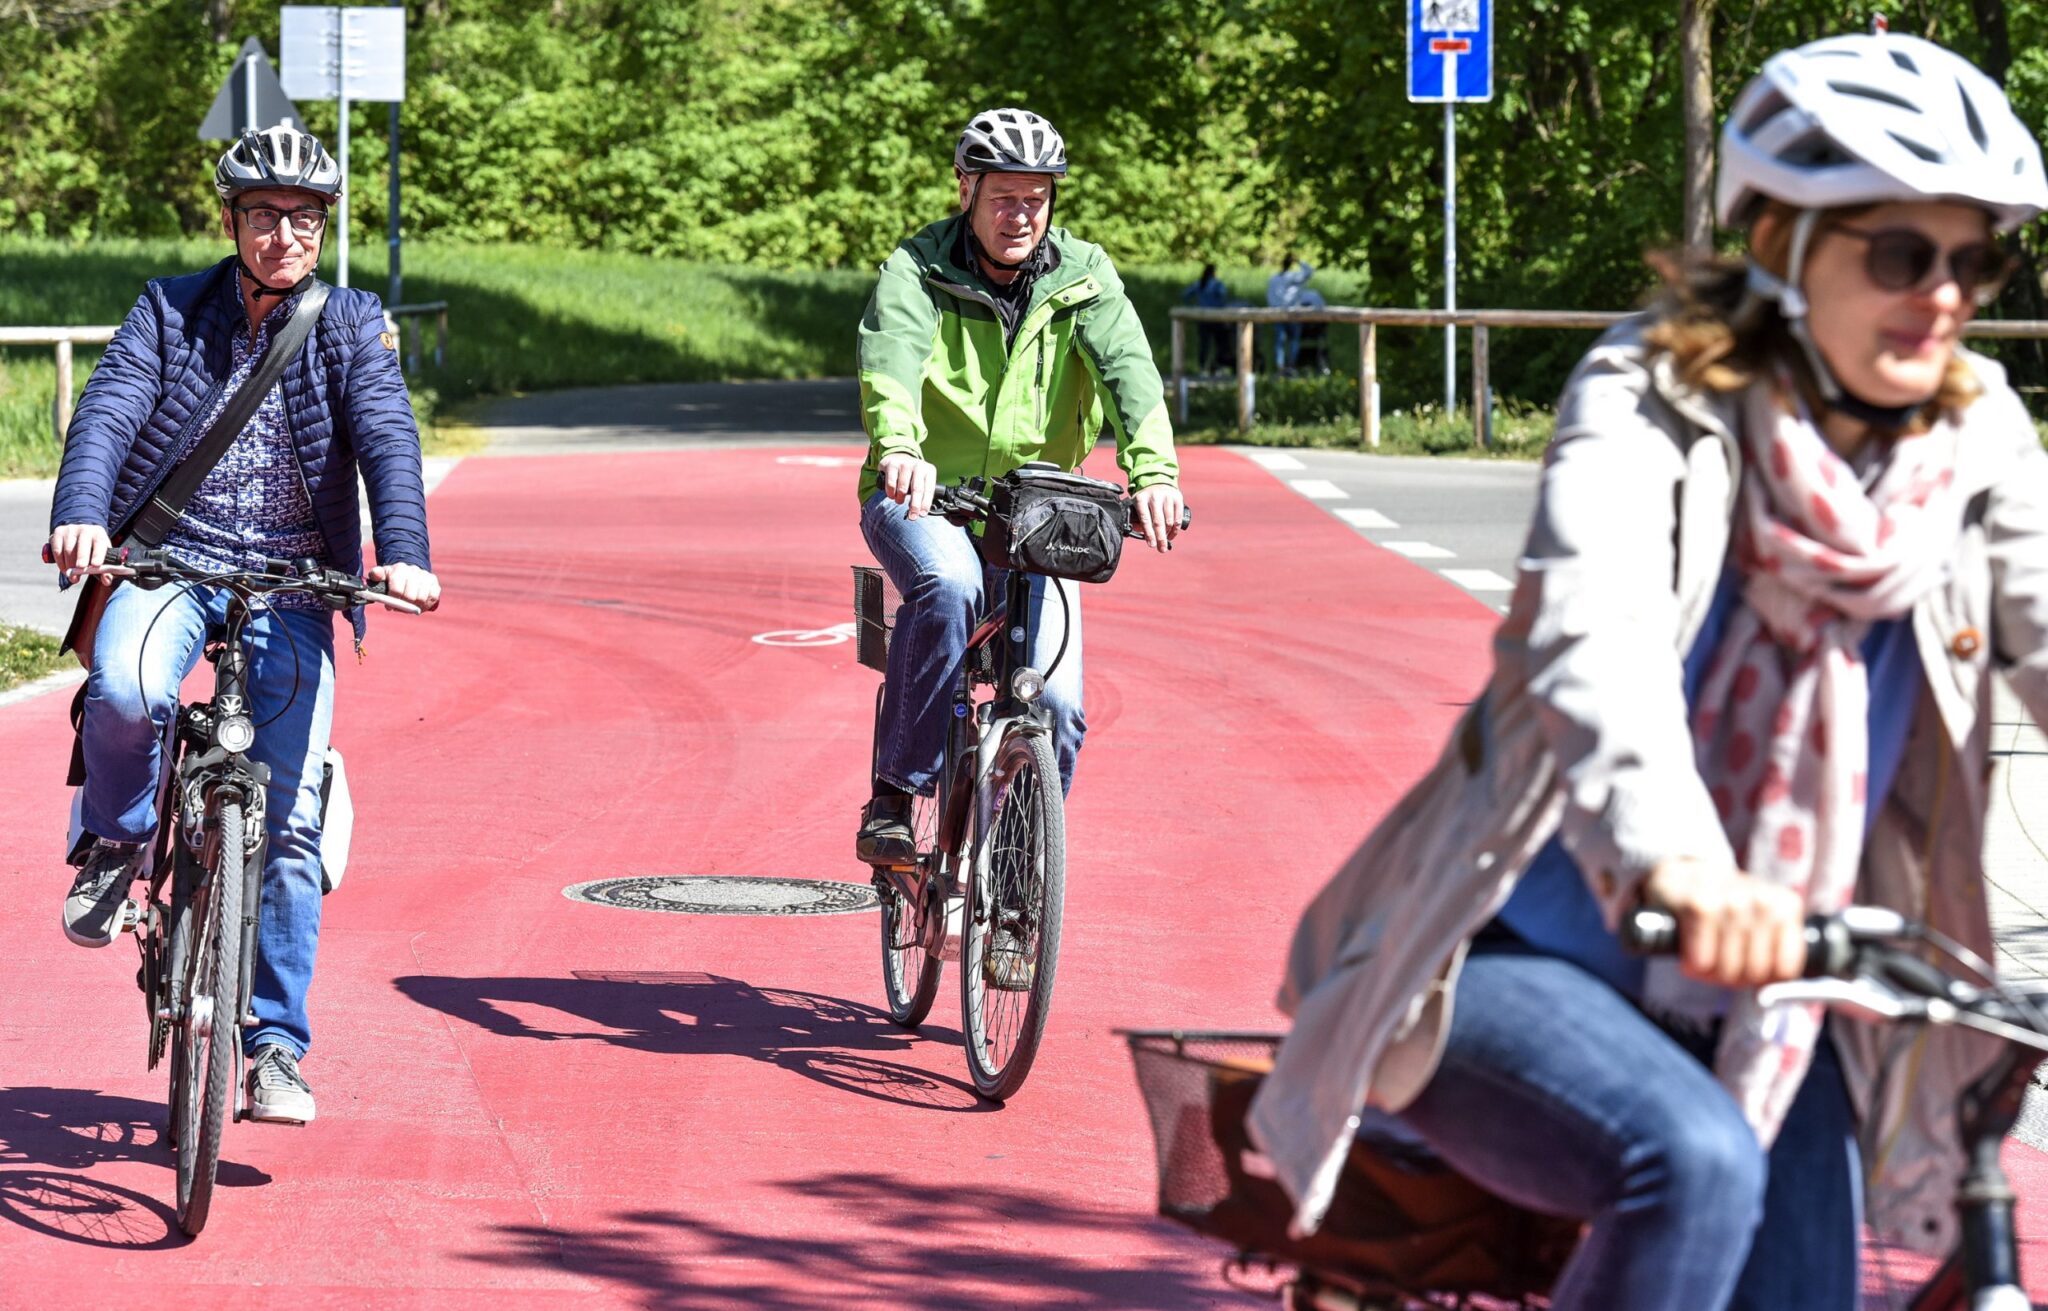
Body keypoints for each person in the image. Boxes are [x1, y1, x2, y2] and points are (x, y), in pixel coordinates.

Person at [1247, 32, 2048, 1311]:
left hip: (1783, 985)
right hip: (1515, 948)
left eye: (1976, 260)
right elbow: (1592, 640)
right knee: (1689, 1163)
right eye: (1901, 254)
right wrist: (1673, 863)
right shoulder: (1648, 394)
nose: (1942, 296)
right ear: (1780, 240)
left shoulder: (1978, 435)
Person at [47, 126, 440, 1125]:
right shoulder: (170, 308)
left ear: (323, 228)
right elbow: (109, 412)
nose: (285, 235)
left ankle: (274, 1048)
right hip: (170, 557)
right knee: (127, 689)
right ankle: (116, 843)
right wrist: (83, 514)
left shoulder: (350, 323)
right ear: (230, 220)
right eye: (264, 215)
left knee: (291, 821)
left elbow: (387, 435)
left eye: (305, 218)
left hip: (297, 579)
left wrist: (404, 550)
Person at [852, 106, 1184, 864]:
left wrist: (1154, 474)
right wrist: (900, 446)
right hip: (925, 496)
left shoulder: (1084, 276)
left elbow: (1131, 375)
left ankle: (1011, 876)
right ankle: (895, 795)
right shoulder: (918, 269)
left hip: (1040, 511)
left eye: (1036, 198)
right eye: (1004, 197)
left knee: (1057, 707)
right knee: (949, 585)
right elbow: (891, 361)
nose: (1021, 215)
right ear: (965, 189)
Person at [1265, 254, 1314, 374]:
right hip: (1293, 313)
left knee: (1280, 342)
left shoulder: (1273, 279)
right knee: (1293, 340)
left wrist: (1274, 309)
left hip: (1277, 313)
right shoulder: (1294, 277)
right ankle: (1291, 366)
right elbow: (1309, 271)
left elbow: (1270, 297)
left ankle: (1280, 367)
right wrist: (1299, 261)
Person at [1180, 262, 1230, 376]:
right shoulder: (1217, 284)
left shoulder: (1199, 283)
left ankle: (1202, 367)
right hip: (1216, 318)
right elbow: (1223, 295)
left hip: (1202, 317)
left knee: (1204, 344)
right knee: (1220, 343)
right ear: (1214, 272)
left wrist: (1193, 306)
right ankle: (1219, 366)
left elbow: (1185, 295)